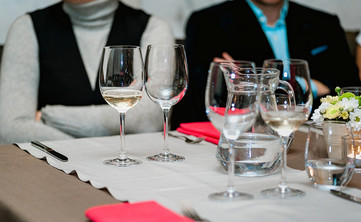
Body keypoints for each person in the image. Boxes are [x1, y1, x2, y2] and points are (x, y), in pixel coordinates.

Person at [0, 0, 174, 144]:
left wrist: (49, 116)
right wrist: (93, 152)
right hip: (50, 174)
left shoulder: (153, 28)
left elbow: (151, 120)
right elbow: (10, 129)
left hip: (135, 173)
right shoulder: (27, 27)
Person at [171, 0, 361, 129]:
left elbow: (348, 88)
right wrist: (310, 86)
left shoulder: (324, 23)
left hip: (318, 134)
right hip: (248, 134)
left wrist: (251, 80)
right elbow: (210, 93)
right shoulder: (208, 23)